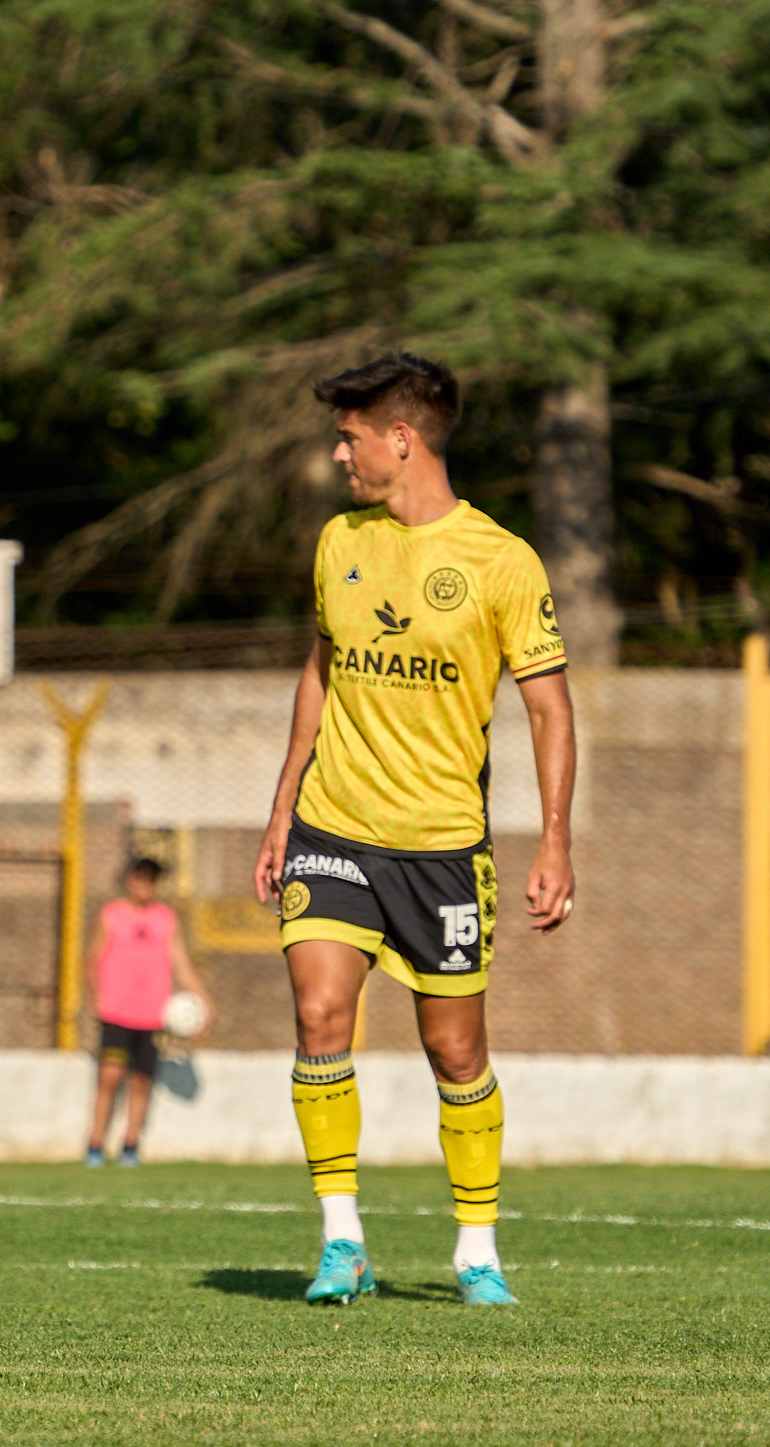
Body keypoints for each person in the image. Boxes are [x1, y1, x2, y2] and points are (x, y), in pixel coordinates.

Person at [252, 352, 575, 1309]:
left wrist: (554, 837)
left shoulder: (502, 561)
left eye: (350, 434)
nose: (338, 451)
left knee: (455, 1051)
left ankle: (476, 1246)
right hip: (333, 827)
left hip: (442, 847)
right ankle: (341, 1238)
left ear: (403, 437)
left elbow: (551, 710)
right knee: (318, 1014)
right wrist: (282, 808)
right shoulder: (338, 540)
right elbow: (320, 671)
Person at [82, 857, 213, 1168]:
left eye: (150, 881)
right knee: (109, 1077)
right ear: (129, 880)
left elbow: (181, 964)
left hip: (152, 1016)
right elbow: (93, 958)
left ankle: (130, 1146)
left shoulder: (165, 919)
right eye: (139, 879)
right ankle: (95, 1145)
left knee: (141, 1081)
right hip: (115, 1012)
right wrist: (93, 998)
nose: (144, 887)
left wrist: (204, 1001)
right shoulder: (112, 915)